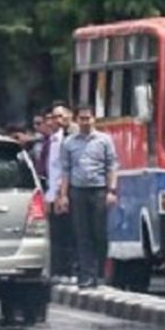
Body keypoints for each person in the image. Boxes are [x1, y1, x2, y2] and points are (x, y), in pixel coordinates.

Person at [57, 105, 118, 288]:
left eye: (88, 118)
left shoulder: (104, 140)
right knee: (82, 234)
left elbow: (112, 166)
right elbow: (65, 170)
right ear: (76, 120)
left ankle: (100, 272)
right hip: (78, 191)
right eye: (81, 118)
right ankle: (87, 275)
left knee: (99, 232)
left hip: (98, 190)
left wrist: (111, 191)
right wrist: (63, 196)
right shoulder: (69, 143)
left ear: (94, 119)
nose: (85, 122)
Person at [45, 105, 76, 279]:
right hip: (54, 192)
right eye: (54, 117)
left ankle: (71, 270)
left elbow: (67, 169)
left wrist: (61, 193)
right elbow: (52, 169)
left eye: (61, 116)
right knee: (57, 234)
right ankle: (59, 270)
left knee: (71, 232)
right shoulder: (52, 140)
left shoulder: (73, 138)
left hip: (71, 191)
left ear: (69, 116)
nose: (57, 120)